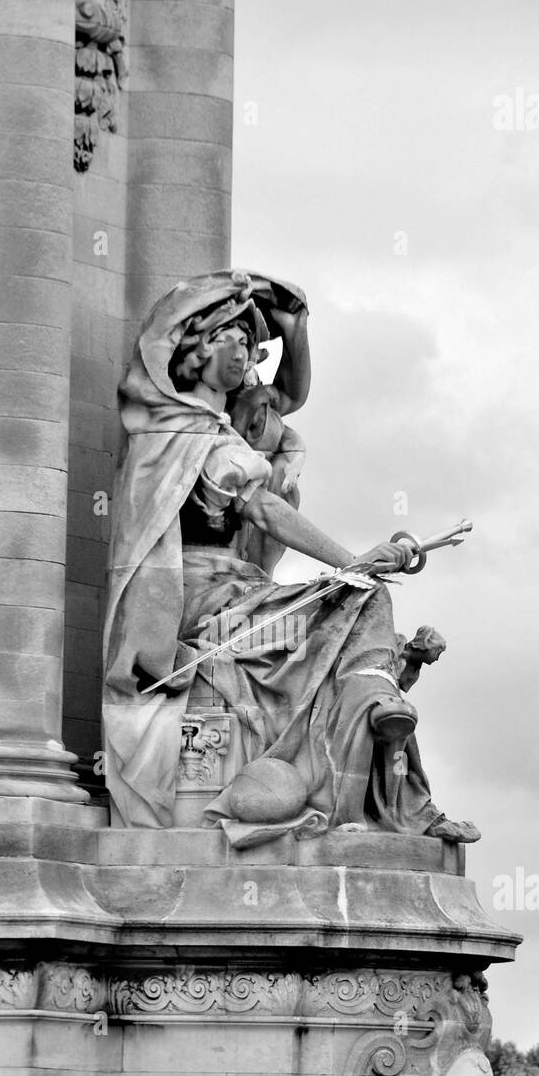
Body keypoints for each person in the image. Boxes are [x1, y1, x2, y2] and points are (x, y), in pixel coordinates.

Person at [101, 270, 473, 840]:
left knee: (358, 602)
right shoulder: (186, 438)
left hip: (238, 592)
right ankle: (376, 714)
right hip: (199, 602)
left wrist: (295, 329)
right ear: (197, 353)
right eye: (236, 341)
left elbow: (288, 399)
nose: (247, 354)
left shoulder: (212, 431)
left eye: (252, 344)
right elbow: (265, 512)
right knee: (359, 594)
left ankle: (382, 732)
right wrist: (353, 560)